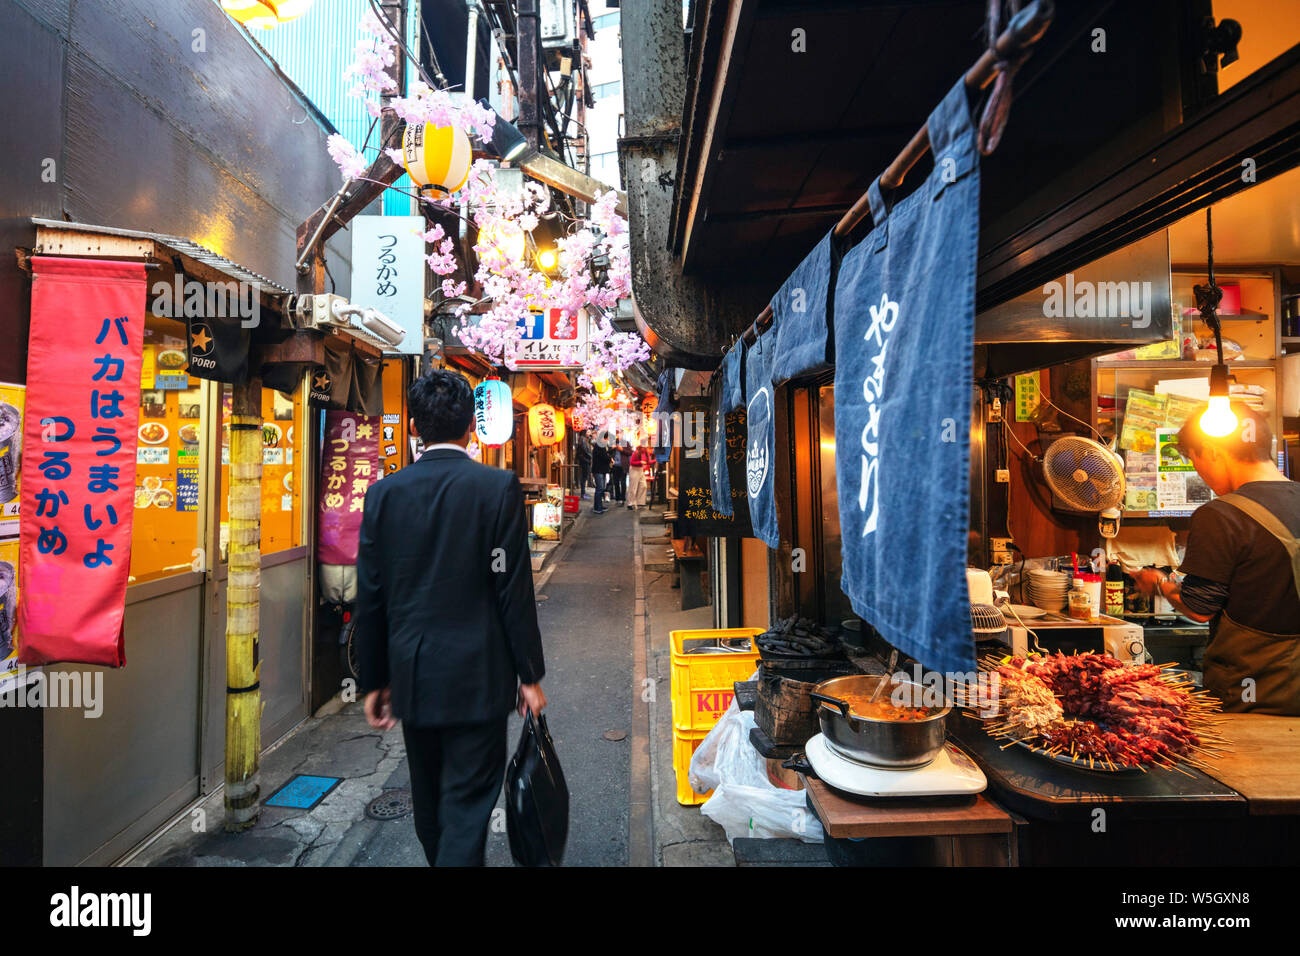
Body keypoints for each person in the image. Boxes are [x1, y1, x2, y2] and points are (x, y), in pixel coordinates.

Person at [354, 369, 547, 865]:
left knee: (431, 808)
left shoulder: (383, 495)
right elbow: (510, 585)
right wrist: (529, 675)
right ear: (471, 427)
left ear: (416, 427)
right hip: (479, 677)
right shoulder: (496, 488)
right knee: (466, 807)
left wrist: (372, 680)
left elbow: (371, 596)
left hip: (414, 677)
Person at [1134, 403, 1299, 714]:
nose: (1202, 475)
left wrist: (1158, 582)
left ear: (1210, 450)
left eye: (1195, 462)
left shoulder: (1221, 514)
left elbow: (1199, 608)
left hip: (1254, 696)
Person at [591, 435, 611, 514]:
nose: (607, 441)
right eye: (607, 439)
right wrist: (610, 458)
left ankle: (598, 506)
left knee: (600, 489)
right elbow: (604, 457)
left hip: (600, 470)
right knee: (600, 489)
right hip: (598, 470)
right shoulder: (600, 445)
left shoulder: (600, 445)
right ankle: (598, 508)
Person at [627, 444, 650, 510]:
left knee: (644, 485)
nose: (645, 448)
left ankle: (640, 502)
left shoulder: (646, 452)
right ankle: (630, 503)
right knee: (633, 487)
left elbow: (648, 461)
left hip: (640, 469)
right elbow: (632, 462)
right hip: (634, 469)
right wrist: (640, 462)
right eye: (644, 447)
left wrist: (656, 460)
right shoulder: (636, 453)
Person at [609, 436, 627, 503]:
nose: (618, 445)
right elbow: (608, 453)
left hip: (623, 466)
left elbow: (629, 452)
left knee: (623, 483)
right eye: (617, 443)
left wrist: (622, 449)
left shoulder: (624, 446)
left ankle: (623, 498)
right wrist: (612, 449)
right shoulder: (613, 448)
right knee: (616, 482)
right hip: (615, 466)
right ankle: (617, 498)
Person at [576, 432, 593, 498]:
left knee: (584, 476)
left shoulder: (584, 439)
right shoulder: (582, 439)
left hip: (585, 460)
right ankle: (583, 493)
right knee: (584, 477)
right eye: (588, 432)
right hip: (584, 460)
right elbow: (585, 450)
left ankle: (583, 493)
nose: (589, 433)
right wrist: (590, 456)